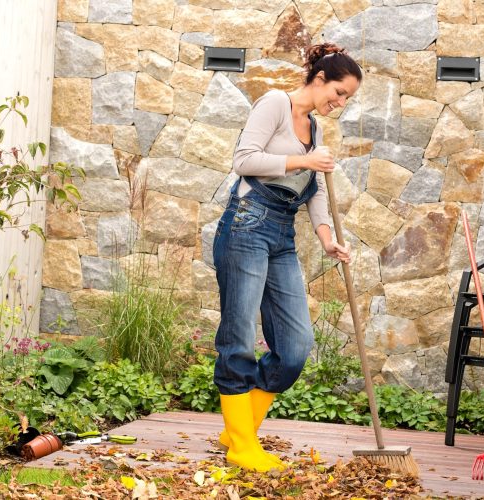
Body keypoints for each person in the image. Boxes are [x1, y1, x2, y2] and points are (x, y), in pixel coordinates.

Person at [212, 42, 363, 472]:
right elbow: (244, 160)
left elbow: (313, 190)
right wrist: (304, 158)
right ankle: (242, 445)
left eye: (347, 97)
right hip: (246, 223)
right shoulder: (276, 103)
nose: (341, 102)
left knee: (295, 347)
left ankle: (236, 429)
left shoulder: (314, 128)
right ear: (319, 79)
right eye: (339, 92)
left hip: (281, 231)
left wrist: (327, 237)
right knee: (238, 337)